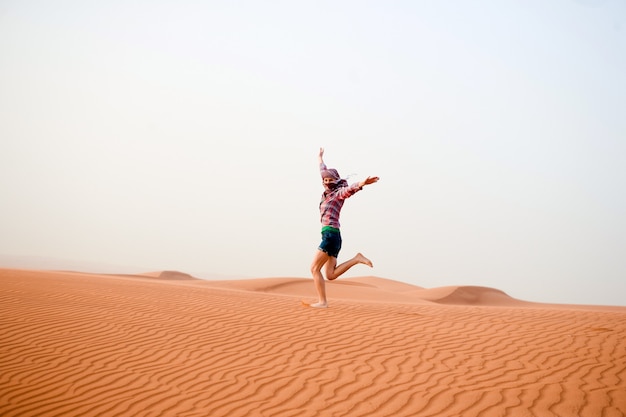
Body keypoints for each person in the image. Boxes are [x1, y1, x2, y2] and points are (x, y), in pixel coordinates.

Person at [307, 147, 380, 308]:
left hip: (330, 235)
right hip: (334, 236)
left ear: (335, 181)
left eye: (329, 180)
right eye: (325, 180)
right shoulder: (326, 192)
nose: (327, 182)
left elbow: (349, 189)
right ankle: (356, 259)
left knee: (314, 269)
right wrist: (319, 157)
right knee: (330, 275)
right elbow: (323, 170)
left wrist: (362, 183)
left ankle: (322, 302)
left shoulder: (337, 194)